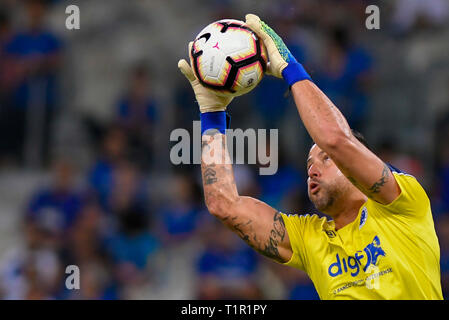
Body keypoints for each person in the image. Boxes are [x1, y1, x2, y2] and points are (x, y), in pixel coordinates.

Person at [178, 14, 443, 300]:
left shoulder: (402, 203)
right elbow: (223, 204)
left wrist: (289, 68)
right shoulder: (309, 238)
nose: (312, 170)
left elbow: (335, 139)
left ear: (358, 162)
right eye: (308, 165)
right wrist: (212, 115)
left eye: (325, 159)